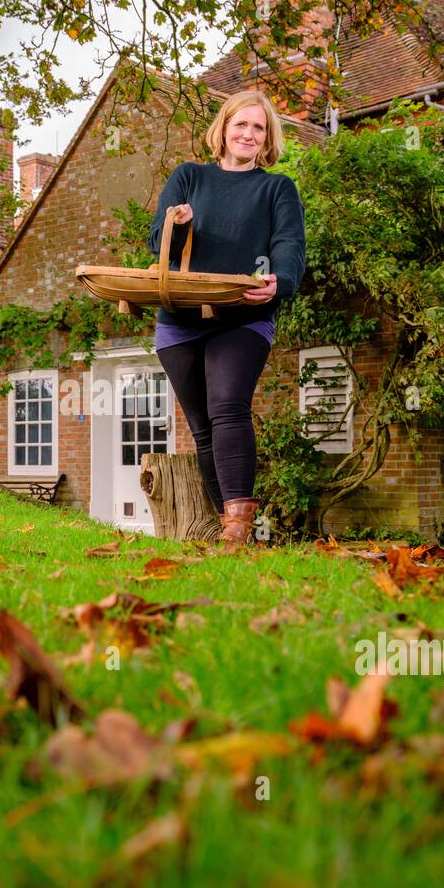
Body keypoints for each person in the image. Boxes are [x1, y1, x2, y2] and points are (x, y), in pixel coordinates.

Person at [147, 89, 306, 547]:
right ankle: (227, 528)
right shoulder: (188, 177)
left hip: (244, 313)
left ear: (268, 136)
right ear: (223, 129)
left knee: (228, 406)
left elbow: (289, 245)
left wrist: (282, 279)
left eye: (259, 127)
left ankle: (239, 530)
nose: (249, 134)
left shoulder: (277, 188)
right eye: (241, 124)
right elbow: (158, 242)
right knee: (201, 429)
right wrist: (176, 223)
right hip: (180, 317)